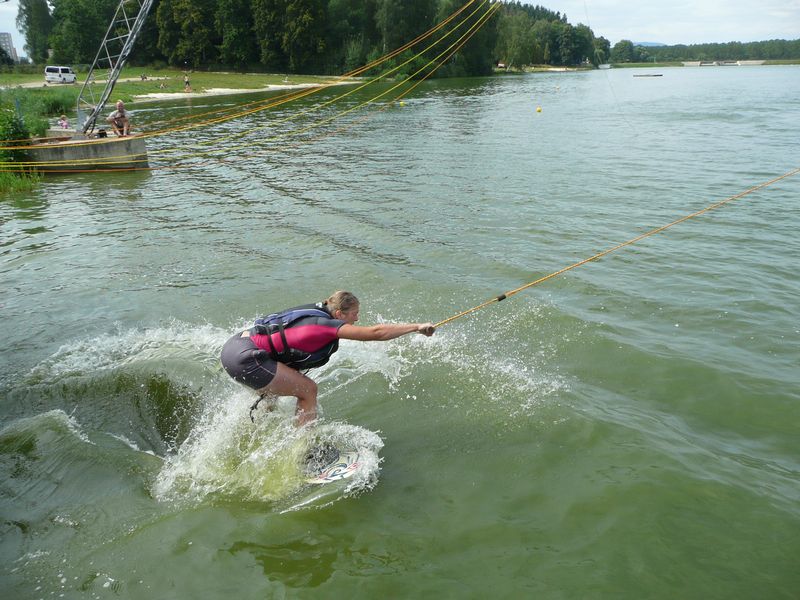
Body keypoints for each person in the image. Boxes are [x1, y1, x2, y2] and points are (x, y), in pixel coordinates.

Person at [220, 291, 435, 426]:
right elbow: (375, 333)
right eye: (354, 314)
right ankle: (304, 452)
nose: (357, 318)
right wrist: (416, 327)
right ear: (340, 314)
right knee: (308, 390)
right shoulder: (324, 326)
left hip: (235, 347)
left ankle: (258, 430)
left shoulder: (316, 311)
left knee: (277, 389)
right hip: (246, 358)